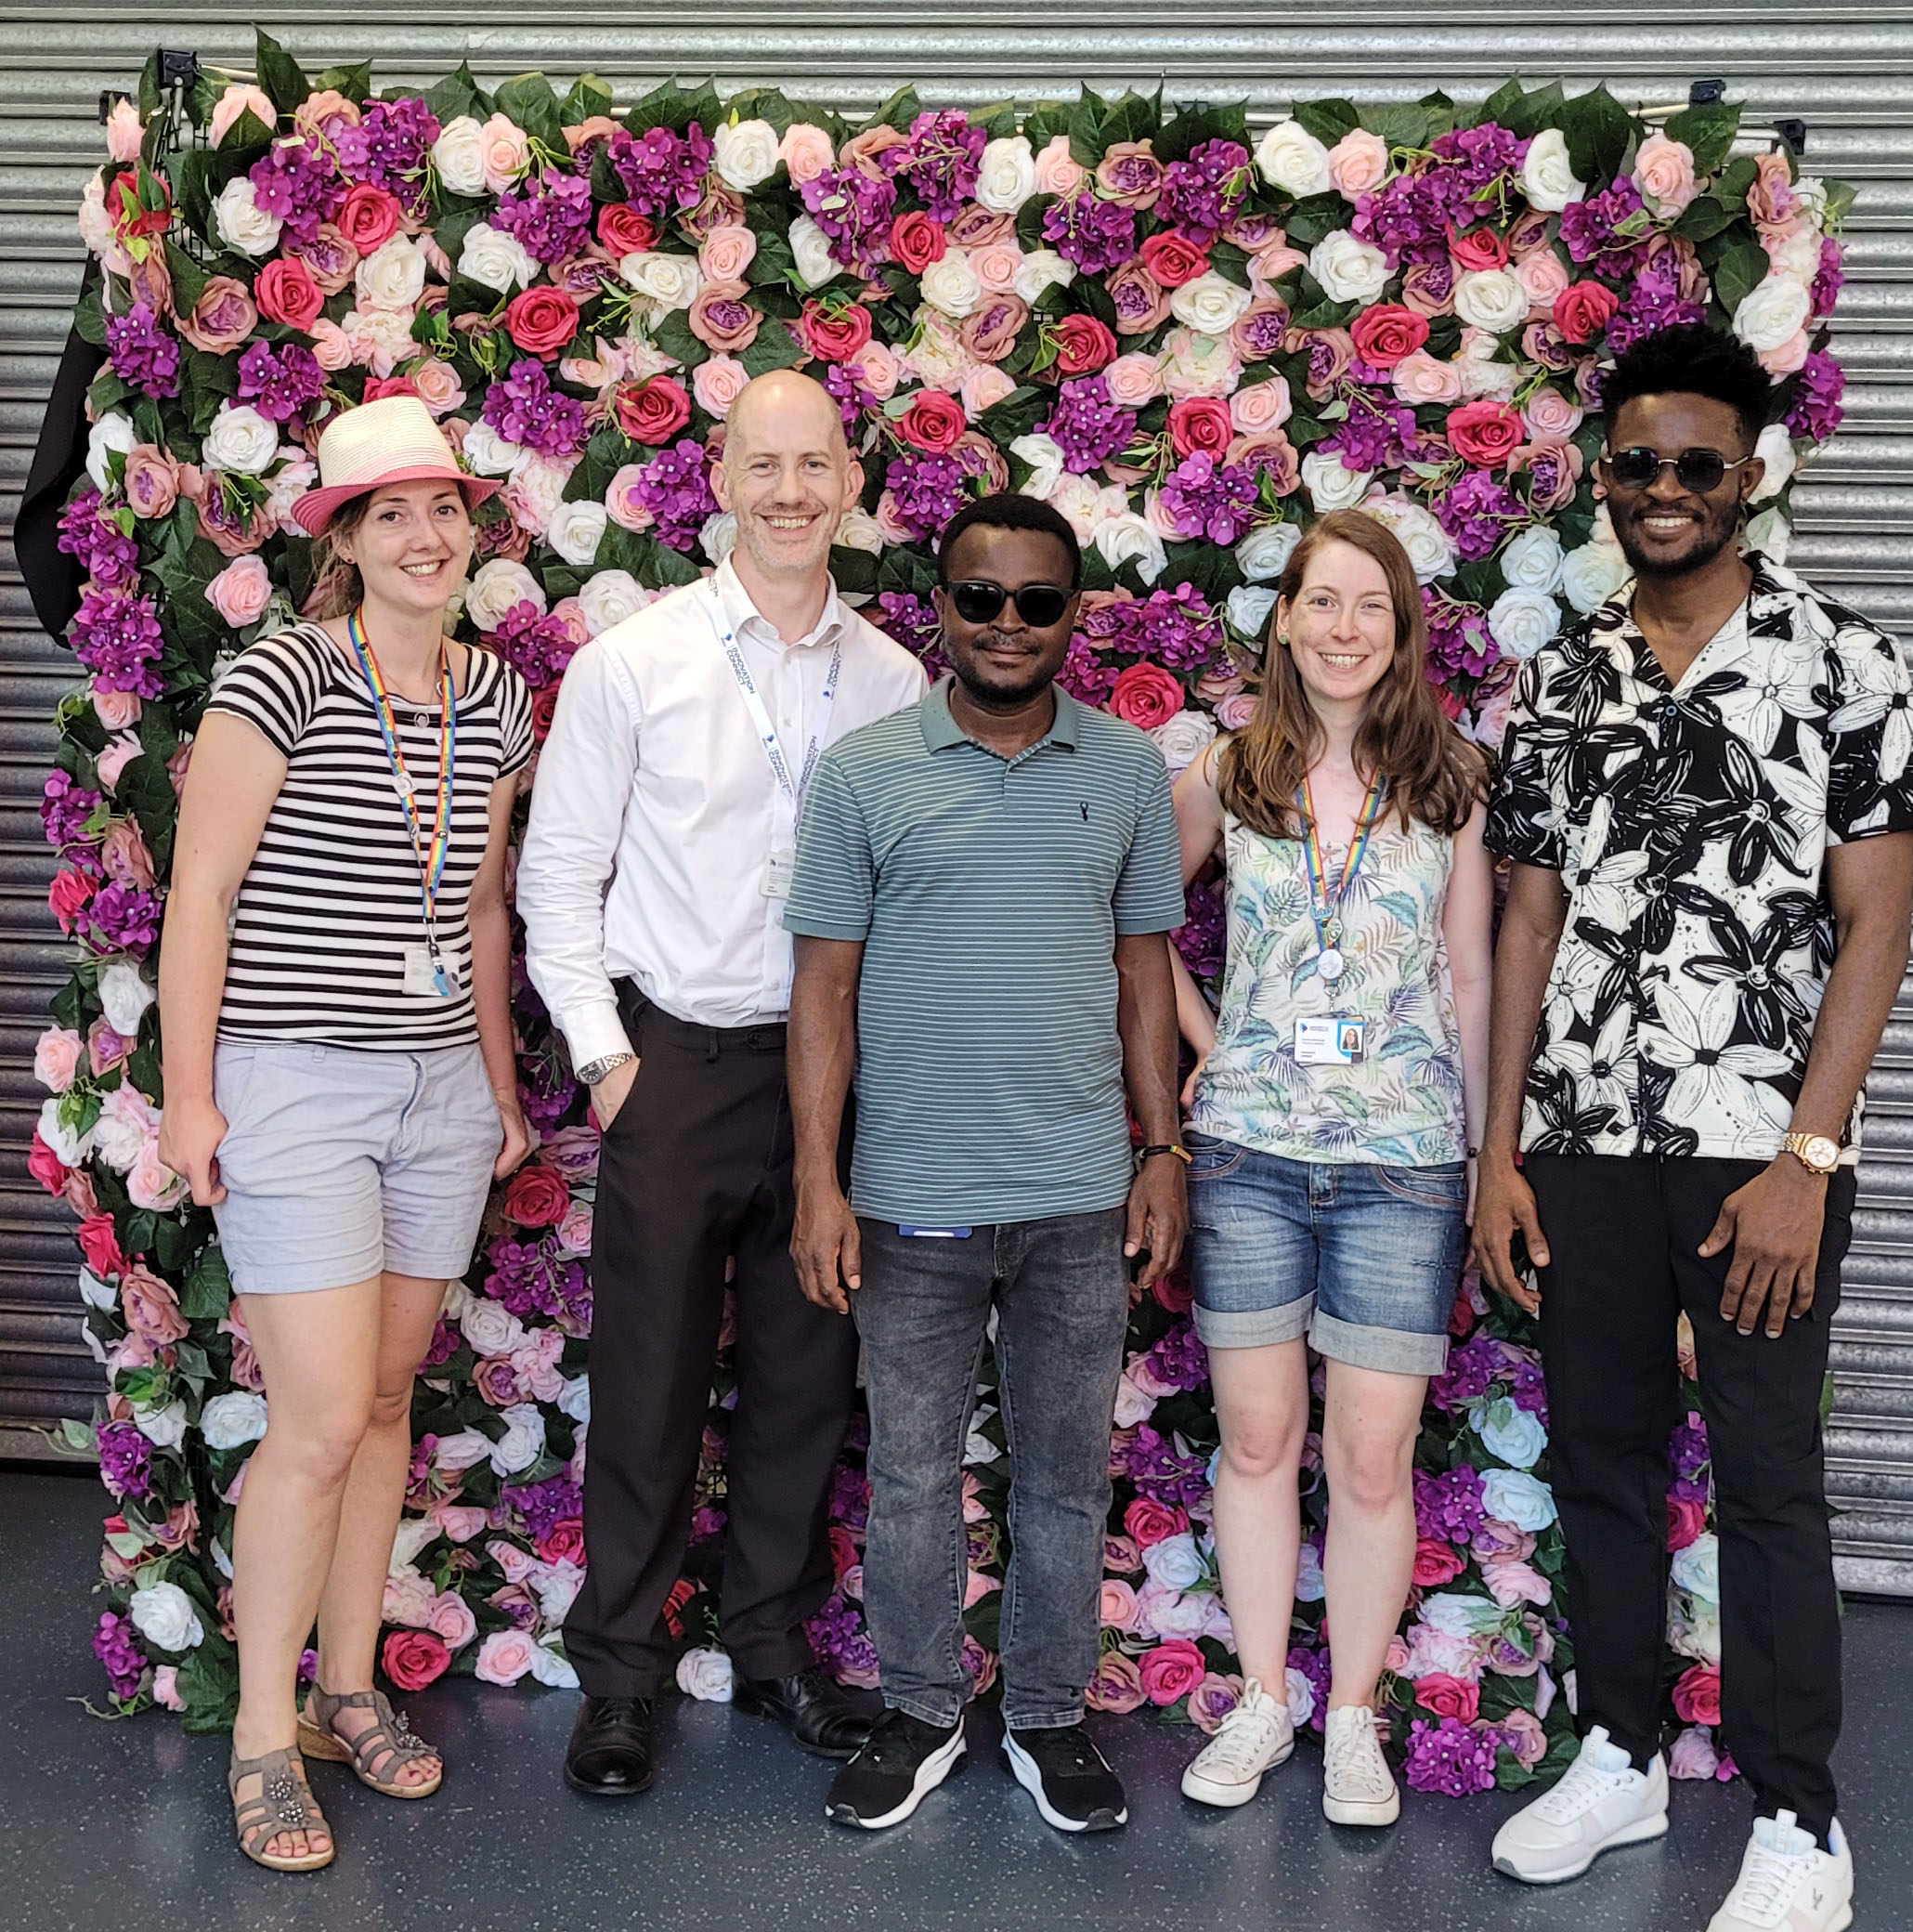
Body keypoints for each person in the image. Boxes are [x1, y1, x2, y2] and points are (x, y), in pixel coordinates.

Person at [1475, 322, 1913, 1932]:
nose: (1667, 490)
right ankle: (1624, 1749)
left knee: (1769, 1472)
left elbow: (1879, 927)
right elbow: (1524, 921)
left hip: (1758, 1151)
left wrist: (1807, 1157)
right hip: (1583, 1136)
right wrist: (1498, 1149)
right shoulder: (1562, 675)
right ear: (1607, 475)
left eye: (1700, 466)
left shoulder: (1845, 662)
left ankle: (1802, 1819)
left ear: (1751, 477)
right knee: (1599, 1450)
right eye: (1640, 463)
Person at [515, 370, 926, 1798]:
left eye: (817, 463)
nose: (794, 491)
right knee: (647, 1385)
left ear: (853, 480)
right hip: (675, 1062)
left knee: (809, 1381)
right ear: (722, 479)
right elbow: (560, 867)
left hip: (831, 1075)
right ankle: (620, 1675)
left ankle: (769, 1654)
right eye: (767, 464)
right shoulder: (641, 659)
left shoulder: (893, 679)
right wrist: (608, 1062)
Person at [156, 395, 534, 1871]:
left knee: (384, 1406)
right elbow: (202, 896)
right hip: (298, 1085)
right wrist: (194, 1097)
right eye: (394, 515)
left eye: (444, 510)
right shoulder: (284, 675)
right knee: (314, 1420)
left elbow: (480, 906)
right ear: (348, 541)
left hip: (436, 1088)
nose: (427, 536)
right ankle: (264, 1741)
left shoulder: (497, 698)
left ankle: (349, 1688)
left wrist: (498, 1087)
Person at [783, 492, 1190, 1835]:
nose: (1008, 624)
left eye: (1037, 601)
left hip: (1079, 1194)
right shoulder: (864, 773)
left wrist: (1161, 1147)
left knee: (1066, 1476)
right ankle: (914, 1712)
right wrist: (819, 1182)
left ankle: (1048, 1719)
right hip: (909, 1204)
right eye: (981, 598)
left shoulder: (1126, 770)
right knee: (910, 1478)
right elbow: (823, 991)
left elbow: (1145, 972)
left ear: (1074, 614)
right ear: (939, 607)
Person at [1167, 510, 1491, 1825]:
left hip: (1403, 1160)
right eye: (1323, 603)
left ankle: (1349, 1714)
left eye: (1372, 606)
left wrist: (1477, 1152)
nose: (1346, 629)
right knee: (1257, 1440)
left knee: (1369, 1461)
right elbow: (1129, 926)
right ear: (1286, 619)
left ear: (1403, 629)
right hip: (1248, 1150)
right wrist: (1207, 1040)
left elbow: (1468, 973)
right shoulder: (1226, 770)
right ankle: (1260, 1698)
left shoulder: (1454, 781)